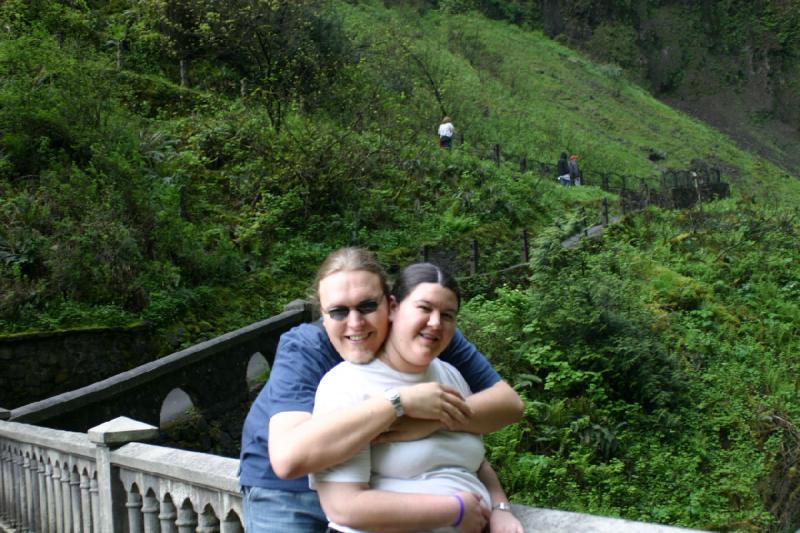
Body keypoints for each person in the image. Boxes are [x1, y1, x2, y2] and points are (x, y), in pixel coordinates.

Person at [239, 247, 524, 532]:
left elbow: (508, 403)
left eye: (367, 306)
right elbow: (289, 458)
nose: (355, 323)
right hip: (284, 490)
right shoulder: (308, 350)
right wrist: (400, 403)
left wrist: (435, 419)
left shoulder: (427, 334)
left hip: (364, 485)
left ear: (391, 306)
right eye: (338, 311)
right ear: (323, 315)